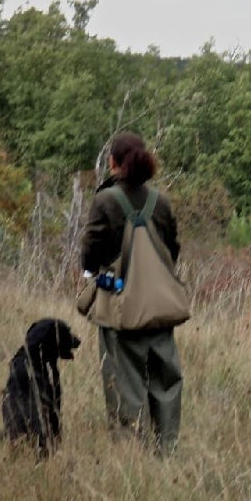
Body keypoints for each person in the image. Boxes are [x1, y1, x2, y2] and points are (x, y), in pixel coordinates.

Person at [80, 131, 183, 456]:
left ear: (113, 163)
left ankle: (131, 455)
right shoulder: (161, 201)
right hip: (161, 306)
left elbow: (91, 249)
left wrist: (90, 273)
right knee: (166, 382)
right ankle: (166, 452)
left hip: (119, 307)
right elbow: (172, 249)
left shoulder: (105, 201)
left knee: (124, 384)